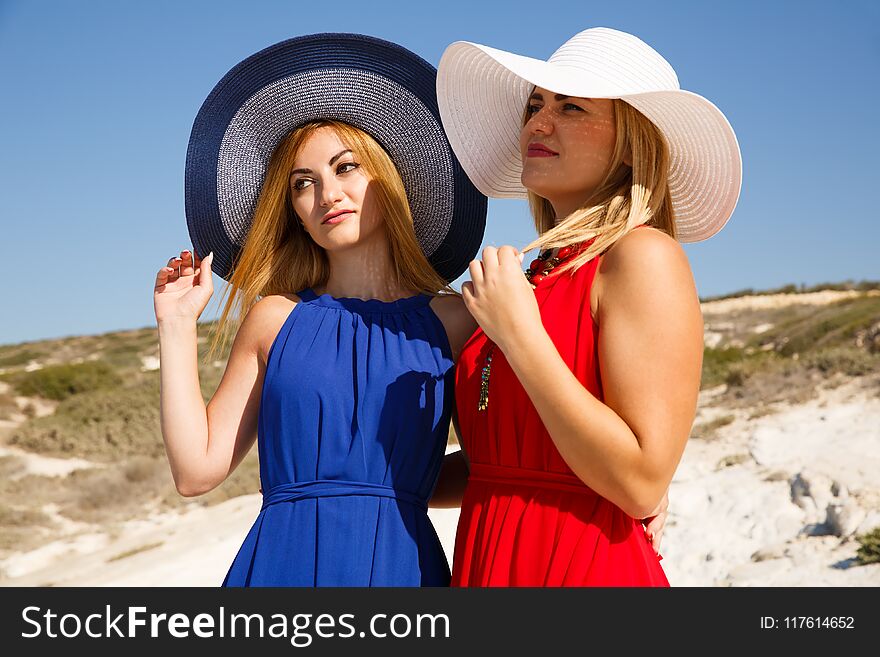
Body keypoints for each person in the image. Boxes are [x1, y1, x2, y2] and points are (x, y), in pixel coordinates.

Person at [153, 33, 486, 586]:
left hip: (401, 567)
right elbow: (195, 471)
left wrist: (402, 485)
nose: (326, 193)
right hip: (280, 568)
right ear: (295, 214)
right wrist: (177, 325)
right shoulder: (275, 318)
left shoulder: (459, 321)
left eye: (347, 167)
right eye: (303, 184)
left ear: (391, 177)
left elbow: (495, 464)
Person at [435, 27, 742, 585]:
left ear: (631, 141)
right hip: (491, 557)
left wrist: (519, 335)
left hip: (583, 564)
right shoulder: (537, 278)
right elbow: (500, 466)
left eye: (570, 107)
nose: (539, 123)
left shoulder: (642, 256)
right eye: (535, 105)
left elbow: (641, 481)